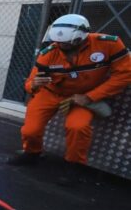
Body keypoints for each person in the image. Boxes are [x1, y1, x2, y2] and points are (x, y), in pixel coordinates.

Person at [9, 14, 130, 169]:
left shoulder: (108, 44)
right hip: (51, 93)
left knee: (77, 127)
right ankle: (32, 153)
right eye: (58, 42)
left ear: (81, 38)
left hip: (83, 95)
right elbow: (29, 85)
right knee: (30, 130)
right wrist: (34, 84)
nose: (61, 46)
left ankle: (75, 165)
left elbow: (125, 75)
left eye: (67, 43)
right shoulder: (48, 53)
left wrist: (90, 97)